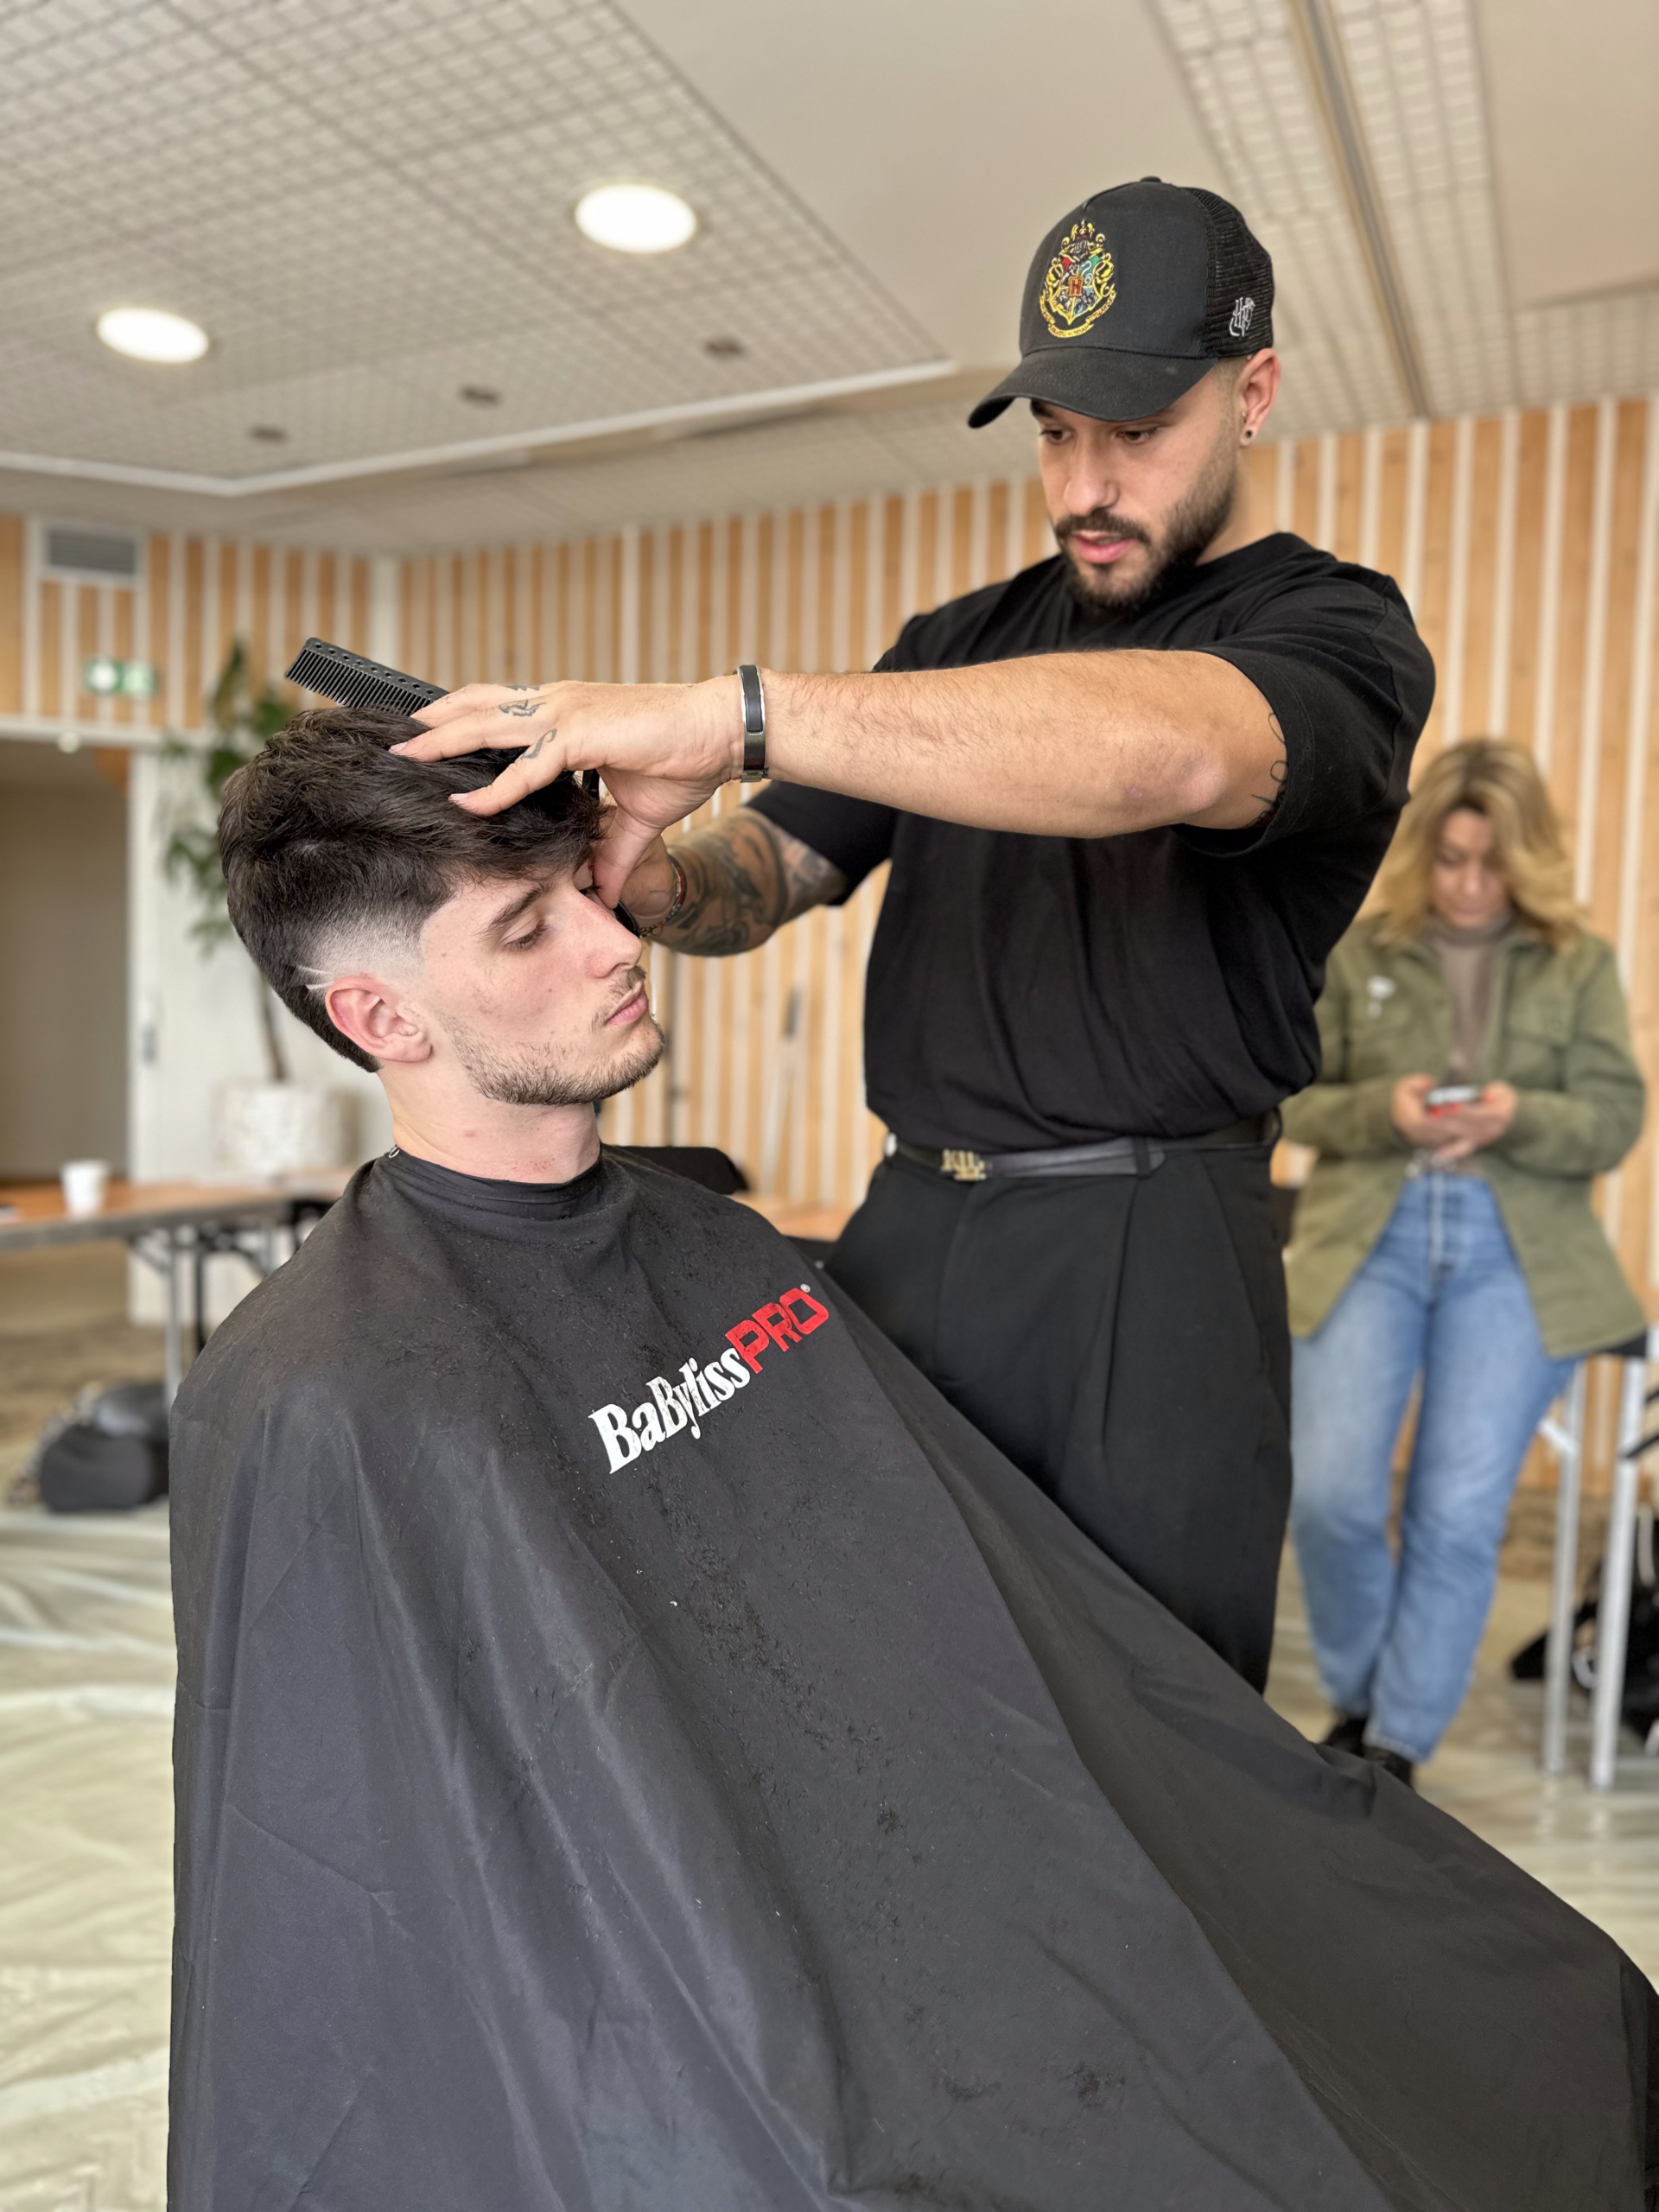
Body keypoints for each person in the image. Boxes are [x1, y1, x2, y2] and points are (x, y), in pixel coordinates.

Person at [168, 705, 1658, 2212]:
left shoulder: (725, 1251)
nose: (615, 942)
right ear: (382, 1018)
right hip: (705, 2007)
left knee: (1499, 2007)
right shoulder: (324, 1396)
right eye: (524, 930)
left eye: (587, 890)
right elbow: (351, 1908)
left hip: (945, 1902)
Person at [391, 178, 1436, 1689]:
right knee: (879, 1669)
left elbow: (1170, 753)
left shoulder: (1329, 634)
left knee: (1149, 1719)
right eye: (1058, 434)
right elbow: (771, 872)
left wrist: (735, 710)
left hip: (1140, 1251)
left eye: (1136, 434)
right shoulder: (954, 646)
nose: (1087, 480)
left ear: (1254, 391)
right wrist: (636, 869)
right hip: (910, 1226)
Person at [1281, 739, 1646, 1784]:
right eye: (1449, 860)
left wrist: (1518, 1114)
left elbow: (1615, 1119)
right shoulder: (1362, 951)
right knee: (1335, 1495)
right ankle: (1359, 1698)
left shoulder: (1579, 964)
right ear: (1422, 855)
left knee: (1455, 1511)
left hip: (1513, 1250)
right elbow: (1294, 1096)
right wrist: (1382, 1109)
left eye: (1491, 863)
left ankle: (1395, 1744)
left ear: (1526, 860)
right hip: (1370, 1237)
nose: (1470, 883)